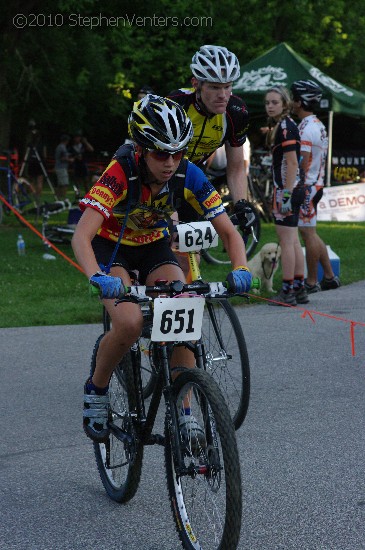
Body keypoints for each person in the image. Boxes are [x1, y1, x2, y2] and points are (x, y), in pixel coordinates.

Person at [71, 95, 252, 443]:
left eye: (178, 152)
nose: (170, 162)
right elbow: (82, 235)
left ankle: (184, 413)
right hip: (112, 247)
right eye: (160, 154)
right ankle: (96, 388)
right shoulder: (120, 172)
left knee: (183, 314)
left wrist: (240, 267)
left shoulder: (189, 174)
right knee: (129, 321)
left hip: (154, 245)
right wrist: (97, 277)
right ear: (140, 149)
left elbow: (228, 231)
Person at [168, 45, 256, 231]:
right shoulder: (177, 105)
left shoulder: (236, 112)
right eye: (215, 87)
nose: (223, 95)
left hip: (192, 178)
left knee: (190, 251)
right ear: (196, 84)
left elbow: (236, 168)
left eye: (227, 87)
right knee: (163, 244)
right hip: (160, 177)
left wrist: (241, 203)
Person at [291, 80, 341, 293]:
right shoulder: (317, 124)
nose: (291, 102)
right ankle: (329, 276)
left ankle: (312, 281)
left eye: (293, 98)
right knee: (310, 232)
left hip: (307, 187)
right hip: (315, 184)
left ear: (300, 102)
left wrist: (296, 185)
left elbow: (303, 161)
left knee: (307, 234)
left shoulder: (305, 128)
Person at [264, 86, 307, 306]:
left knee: (287, 242)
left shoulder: (285, 127)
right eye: (267, 102)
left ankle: (288, 290)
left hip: (287, 190)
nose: (270, 106)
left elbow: (291, 162)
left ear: (285, 104)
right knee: (294, 240)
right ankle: (299, 288)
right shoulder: (285, 125)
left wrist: (286, 195)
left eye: (274, 102)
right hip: (294, 188)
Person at [24, 119, 47, 205]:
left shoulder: (30, 144)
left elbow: (27, 152)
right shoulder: (42, 144)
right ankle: (37, 196)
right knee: (39, 181)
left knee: (31, 180)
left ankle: (32, 194)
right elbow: (44, 155)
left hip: (32, 162)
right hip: (39, 163)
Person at [54, 134, 73, 199]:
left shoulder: (59, 146)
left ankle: (58, 197)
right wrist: (70, 160)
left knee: (60, 184)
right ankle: (63, 197)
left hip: (59, 167)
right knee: (65, 183)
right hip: (61, 168)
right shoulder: (62, 147)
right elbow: (62, 158)